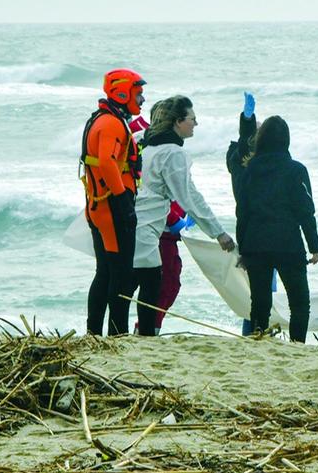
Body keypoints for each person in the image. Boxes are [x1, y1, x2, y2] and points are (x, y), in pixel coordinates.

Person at [133, 96, 235, 336]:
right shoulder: (172, 153)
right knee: (156, 284)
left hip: (136, 222)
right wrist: (218, 232)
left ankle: (124, 334)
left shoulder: (147, 145)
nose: (195, 124)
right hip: (148, 227)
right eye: (192, 119)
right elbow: (189, 196)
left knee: (128, 283)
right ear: (178, 122)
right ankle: (147, 335)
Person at [236, 116, 318, 343]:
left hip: (256, 244)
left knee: (260, 303)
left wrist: (243, 249)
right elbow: (305, 211)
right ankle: (297, 345)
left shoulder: (250, 170)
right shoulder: (296, 170)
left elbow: (242, 212)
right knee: (299, 303)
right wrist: (315, 247)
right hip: (288, 244)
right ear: (286, 141)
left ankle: (259, 344)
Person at [81, 68, 146, 336]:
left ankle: (94, 333)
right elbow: (107, 161)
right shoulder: (110, 124)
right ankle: (117, 335)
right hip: (112, 210)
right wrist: (122, 200)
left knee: (105, 272)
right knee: (120, 275)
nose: (142, 100)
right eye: (138, 94)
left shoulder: (103, 119)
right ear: (122, 93)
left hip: (98, 208)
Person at [226, 91, 258, 336]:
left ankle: (252, 332)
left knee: (258, 290)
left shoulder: (244, 166)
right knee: (259, 292)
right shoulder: (243, 166)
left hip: (249, 233)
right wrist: (248, 121)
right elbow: (245, 143)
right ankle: (252, 333)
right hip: (255, 235)